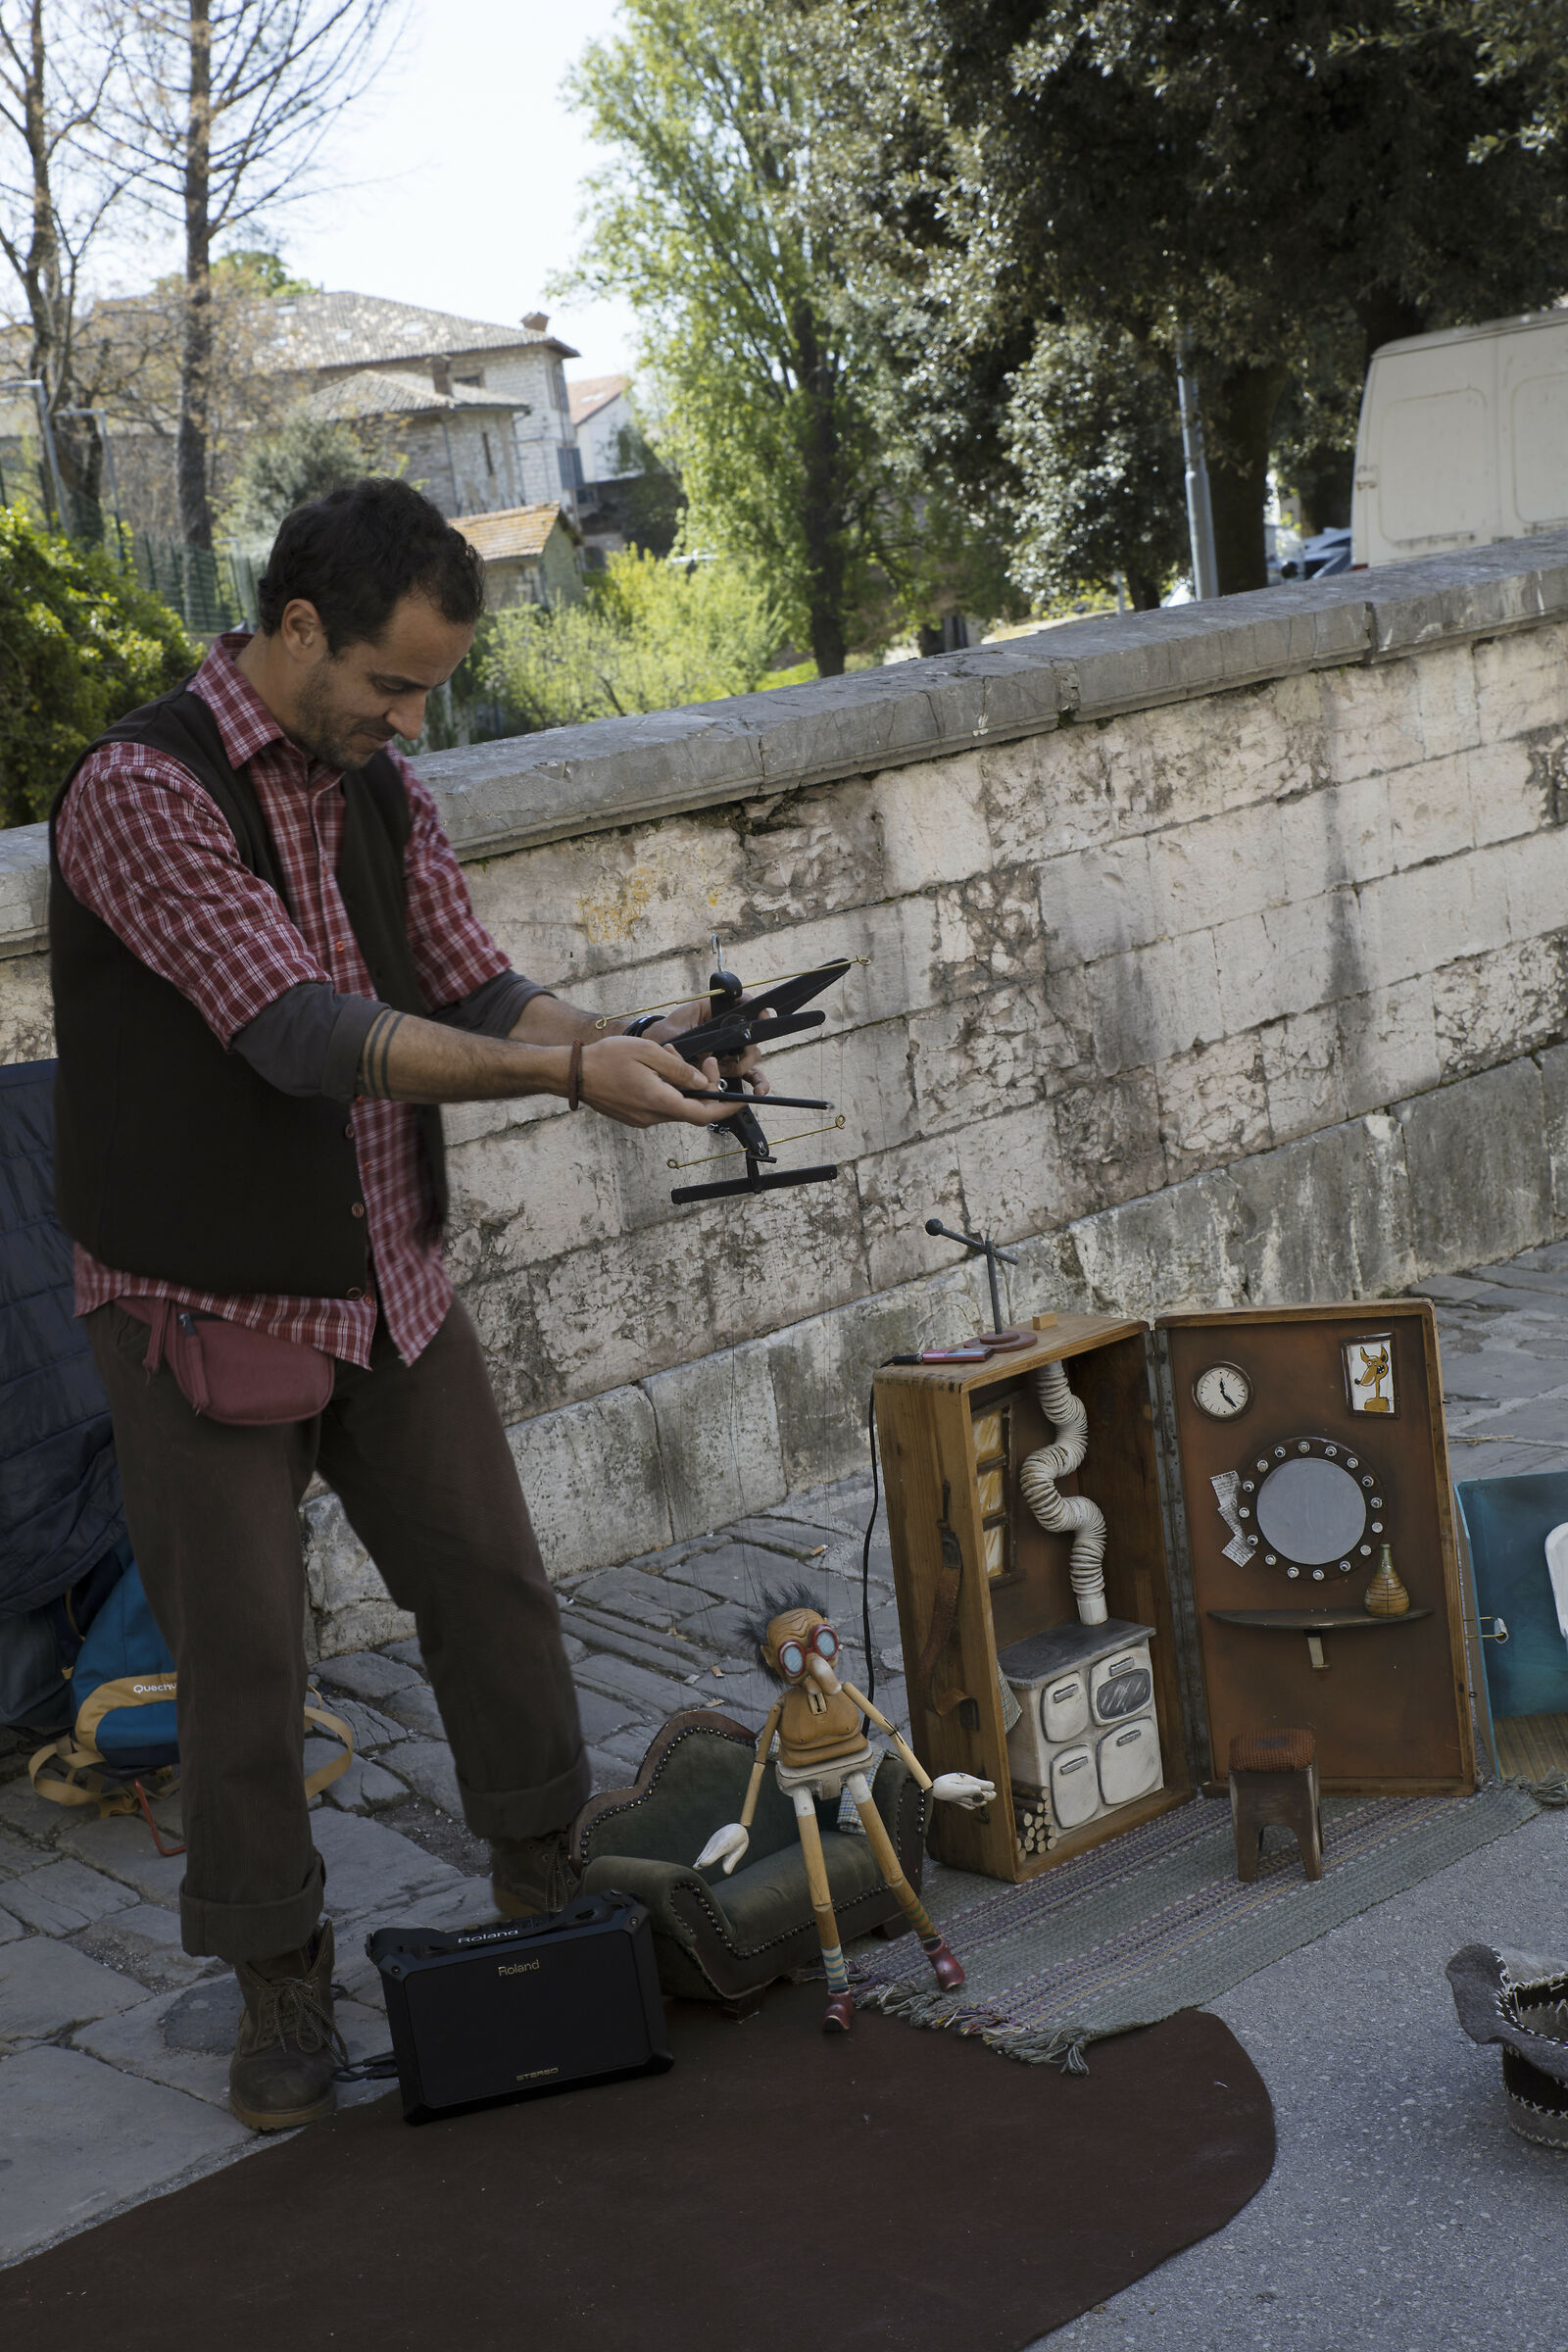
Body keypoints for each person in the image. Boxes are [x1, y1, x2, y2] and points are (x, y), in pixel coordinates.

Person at [48, 476, 766, 2133]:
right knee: (242, 1663)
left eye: (429, 686)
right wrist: (568, 1077)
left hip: (386, 1270)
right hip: (198, 1300)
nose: (410, 715)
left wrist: (648, 1040)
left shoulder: (385, 786)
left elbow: (471, 981)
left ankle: (544, 1877)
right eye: (390, 681)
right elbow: (300, 1032)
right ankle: (276, 1975)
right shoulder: (139, 792)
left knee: (495, 1588)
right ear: (296, 628)